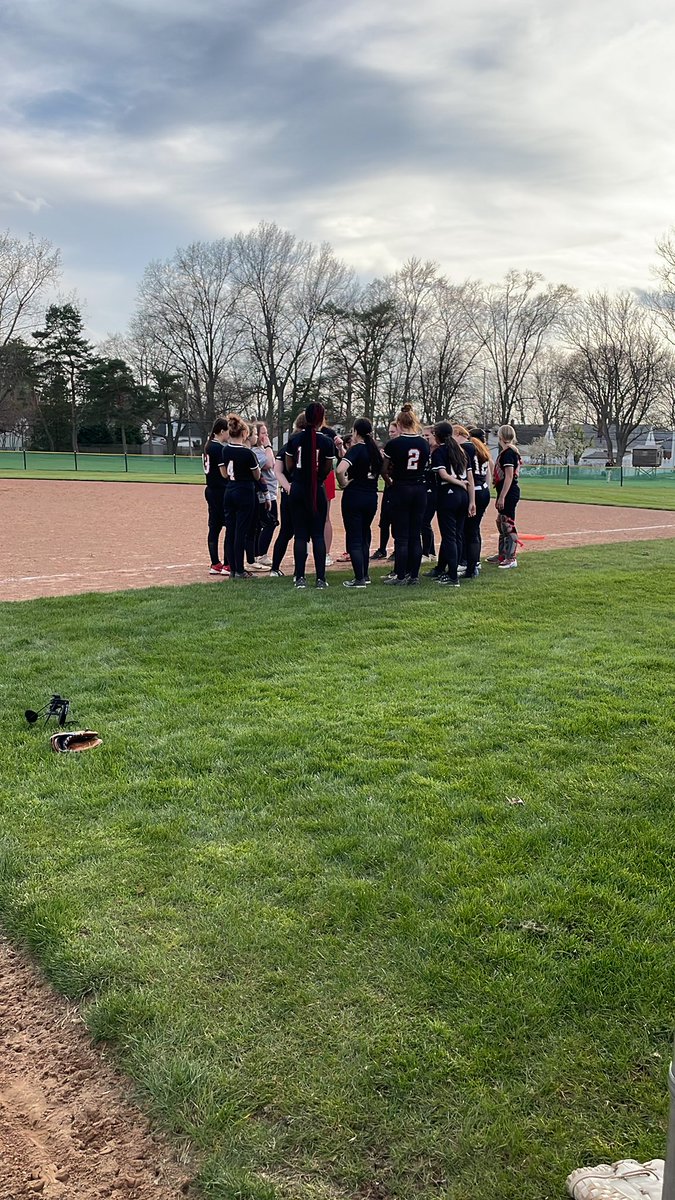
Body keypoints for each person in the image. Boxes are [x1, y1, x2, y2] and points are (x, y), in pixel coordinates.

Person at [285, 402, 335, 589]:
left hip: (298, 488)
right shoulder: (327, 442)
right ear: (321, 419)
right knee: (317, 535)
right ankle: (321, 579)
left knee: (300, 535)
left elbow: (289, 465)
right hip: (317, 490)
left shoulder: (295, 439)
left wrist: (298, 477)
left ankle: (300, 578)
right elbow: (327, 469)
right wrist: (317, 478)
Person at [381, 403, 430, 585]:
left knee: (401, 535)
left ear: (399, 424)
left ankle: (400, 576)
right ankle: (414, 576)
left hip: (401, 488)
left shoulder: (394, 444)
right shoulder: (424, 443)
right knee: (415, 533)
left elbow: (384, 470)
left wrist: (391, 483)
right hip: (419, 489)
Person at [336, 418, 383, 588]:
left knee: (354, 538)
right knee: (365, 535)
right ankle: (365, 574)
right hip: (371, 496)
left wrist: (342, 483)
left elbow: (340, 469)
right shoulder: (376, 451)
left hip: (354, 495)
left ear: (356, 432)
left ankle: (359, 579)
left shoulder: (356, 449)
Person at [219, 414, 261, 580]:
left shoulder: (225, 449)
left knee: (230, 531)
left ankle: (232, 569)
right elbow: (257, 476)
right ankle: (240, 570)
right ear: (244, 433)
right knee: (240, 532)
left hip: (229, 489)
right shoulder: (247, 453)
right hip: (244, 491)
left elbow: (224, 474)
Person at [430, 421, 469, 588]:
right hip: (463, 496)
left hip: (449, 494)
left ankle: (453, 576)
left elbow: (444, 475)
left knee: (449, 537)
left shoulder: (440, 451)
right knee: (458, 535)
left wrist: (458, 483)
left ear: (438, 435)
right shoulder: (460, 450)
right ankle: (451, 572)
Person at [268, 413, 305, 577]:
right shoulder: (312, 443)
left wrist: (287, 487)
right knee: (302, 533)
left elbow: (278, 470)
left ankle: (275, 568)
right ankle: (299, 571)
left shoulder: (287, 445)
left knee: (286, 531)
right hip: (303, 492)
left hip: (289, 492)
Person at [489, 424, 521, 569]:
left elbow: (509, 476)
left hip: (509, 492)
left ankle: (511, 557)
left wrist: (502, 497)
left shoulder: (509, 453)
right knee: (501, 522)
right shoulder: (509, 451)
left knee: (508, 524)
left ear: (500, 437)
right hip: (507, 491)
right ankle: (502, 554)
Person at [202, 417, 230, 576]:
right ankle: (227, 564)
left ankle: (215, 563)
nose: (228, 434)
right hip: (221, 490)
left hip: (210, 489)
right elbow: (223, 473)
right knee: (228, 525)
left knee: (214, 527)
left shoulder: (207, 446)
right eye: (227, 431)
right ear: (221, 431)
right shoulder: (218, 448)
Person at [464, 426, 493, 577]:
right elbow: (489, 472)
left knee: (470, 531)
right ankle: (474, 562)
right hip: (483, 489)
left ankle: (470, 565)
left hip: (474, 490)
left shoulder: (470, 449)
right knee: (474, 530)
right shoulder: (484, 451)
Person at [371, 421, 398, 561]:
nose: (391, 434)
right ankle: (382, 549)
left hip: (399, 487)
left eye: (393, 431)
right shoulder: (389, 446)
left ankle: (397, 549)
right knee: (384, 520)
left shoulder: (400, 446)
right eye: (390, 432)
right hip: (389, 487)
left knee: (396, 519)